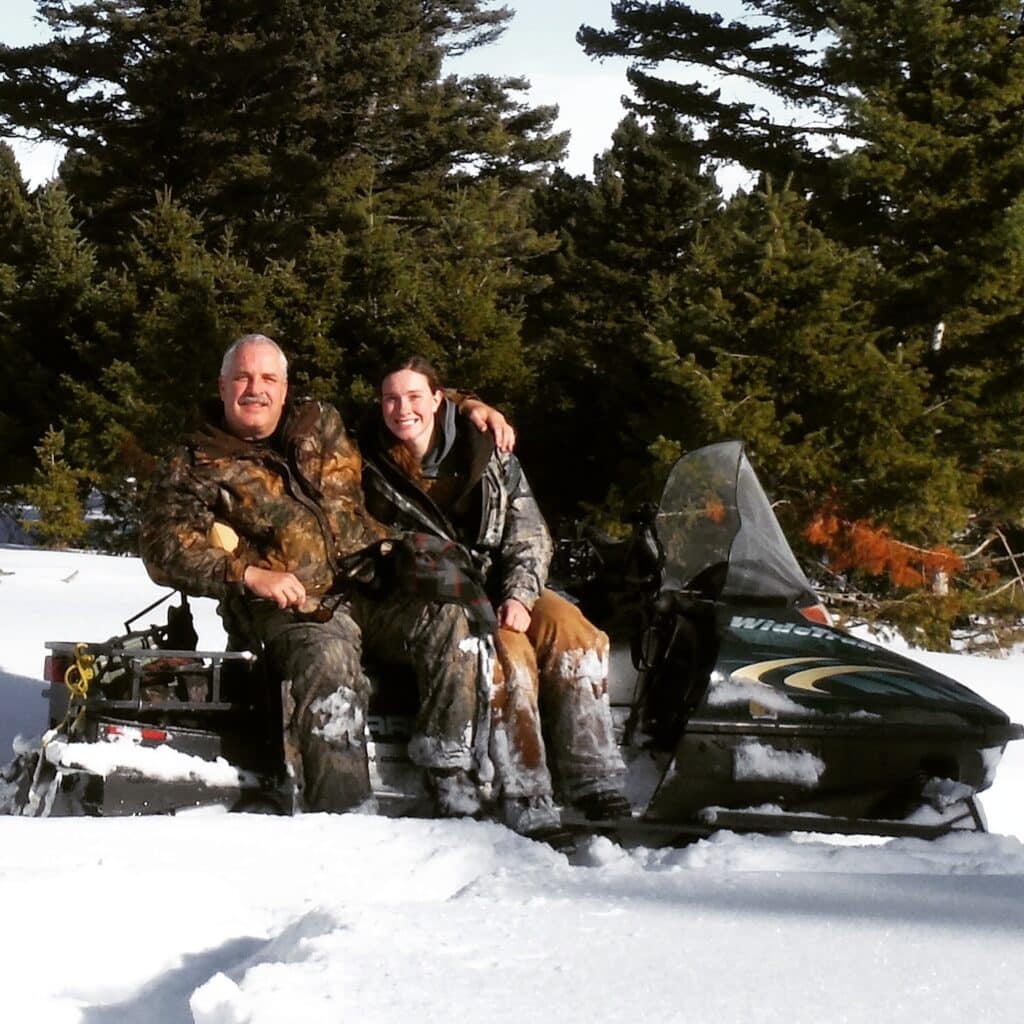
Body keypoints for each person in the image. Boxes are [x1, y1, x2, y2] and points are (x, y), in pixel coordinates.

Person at [139, 334, 520, 826]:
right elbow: (163, 548)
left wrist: (469, 405)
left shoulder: (319, 420)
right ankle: (345, 818)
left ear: (285, 386)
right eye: (242, 378)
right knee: (329, 658)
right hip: (293, 607)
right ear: (222, 386)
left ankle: (451, 780)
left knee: (448, 616)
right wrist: (249, 574)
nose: (255, 390)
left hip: (370, 584)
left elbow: (404, 403)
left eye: (268, 379)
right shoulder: (195, 462)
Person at [361, 354, 631, 829]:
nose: (402, 409)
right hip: (442, 595)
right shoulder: (368, 462)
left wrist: (521, 595)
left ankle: (594, 778)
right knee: (508, 653)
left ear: (439, 400)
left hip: (501, 580)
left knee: (576, 633)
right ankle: (526, 791)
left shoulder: (489, 452)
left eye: (414, 397)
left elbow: (529, 533)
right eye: (391, 399)